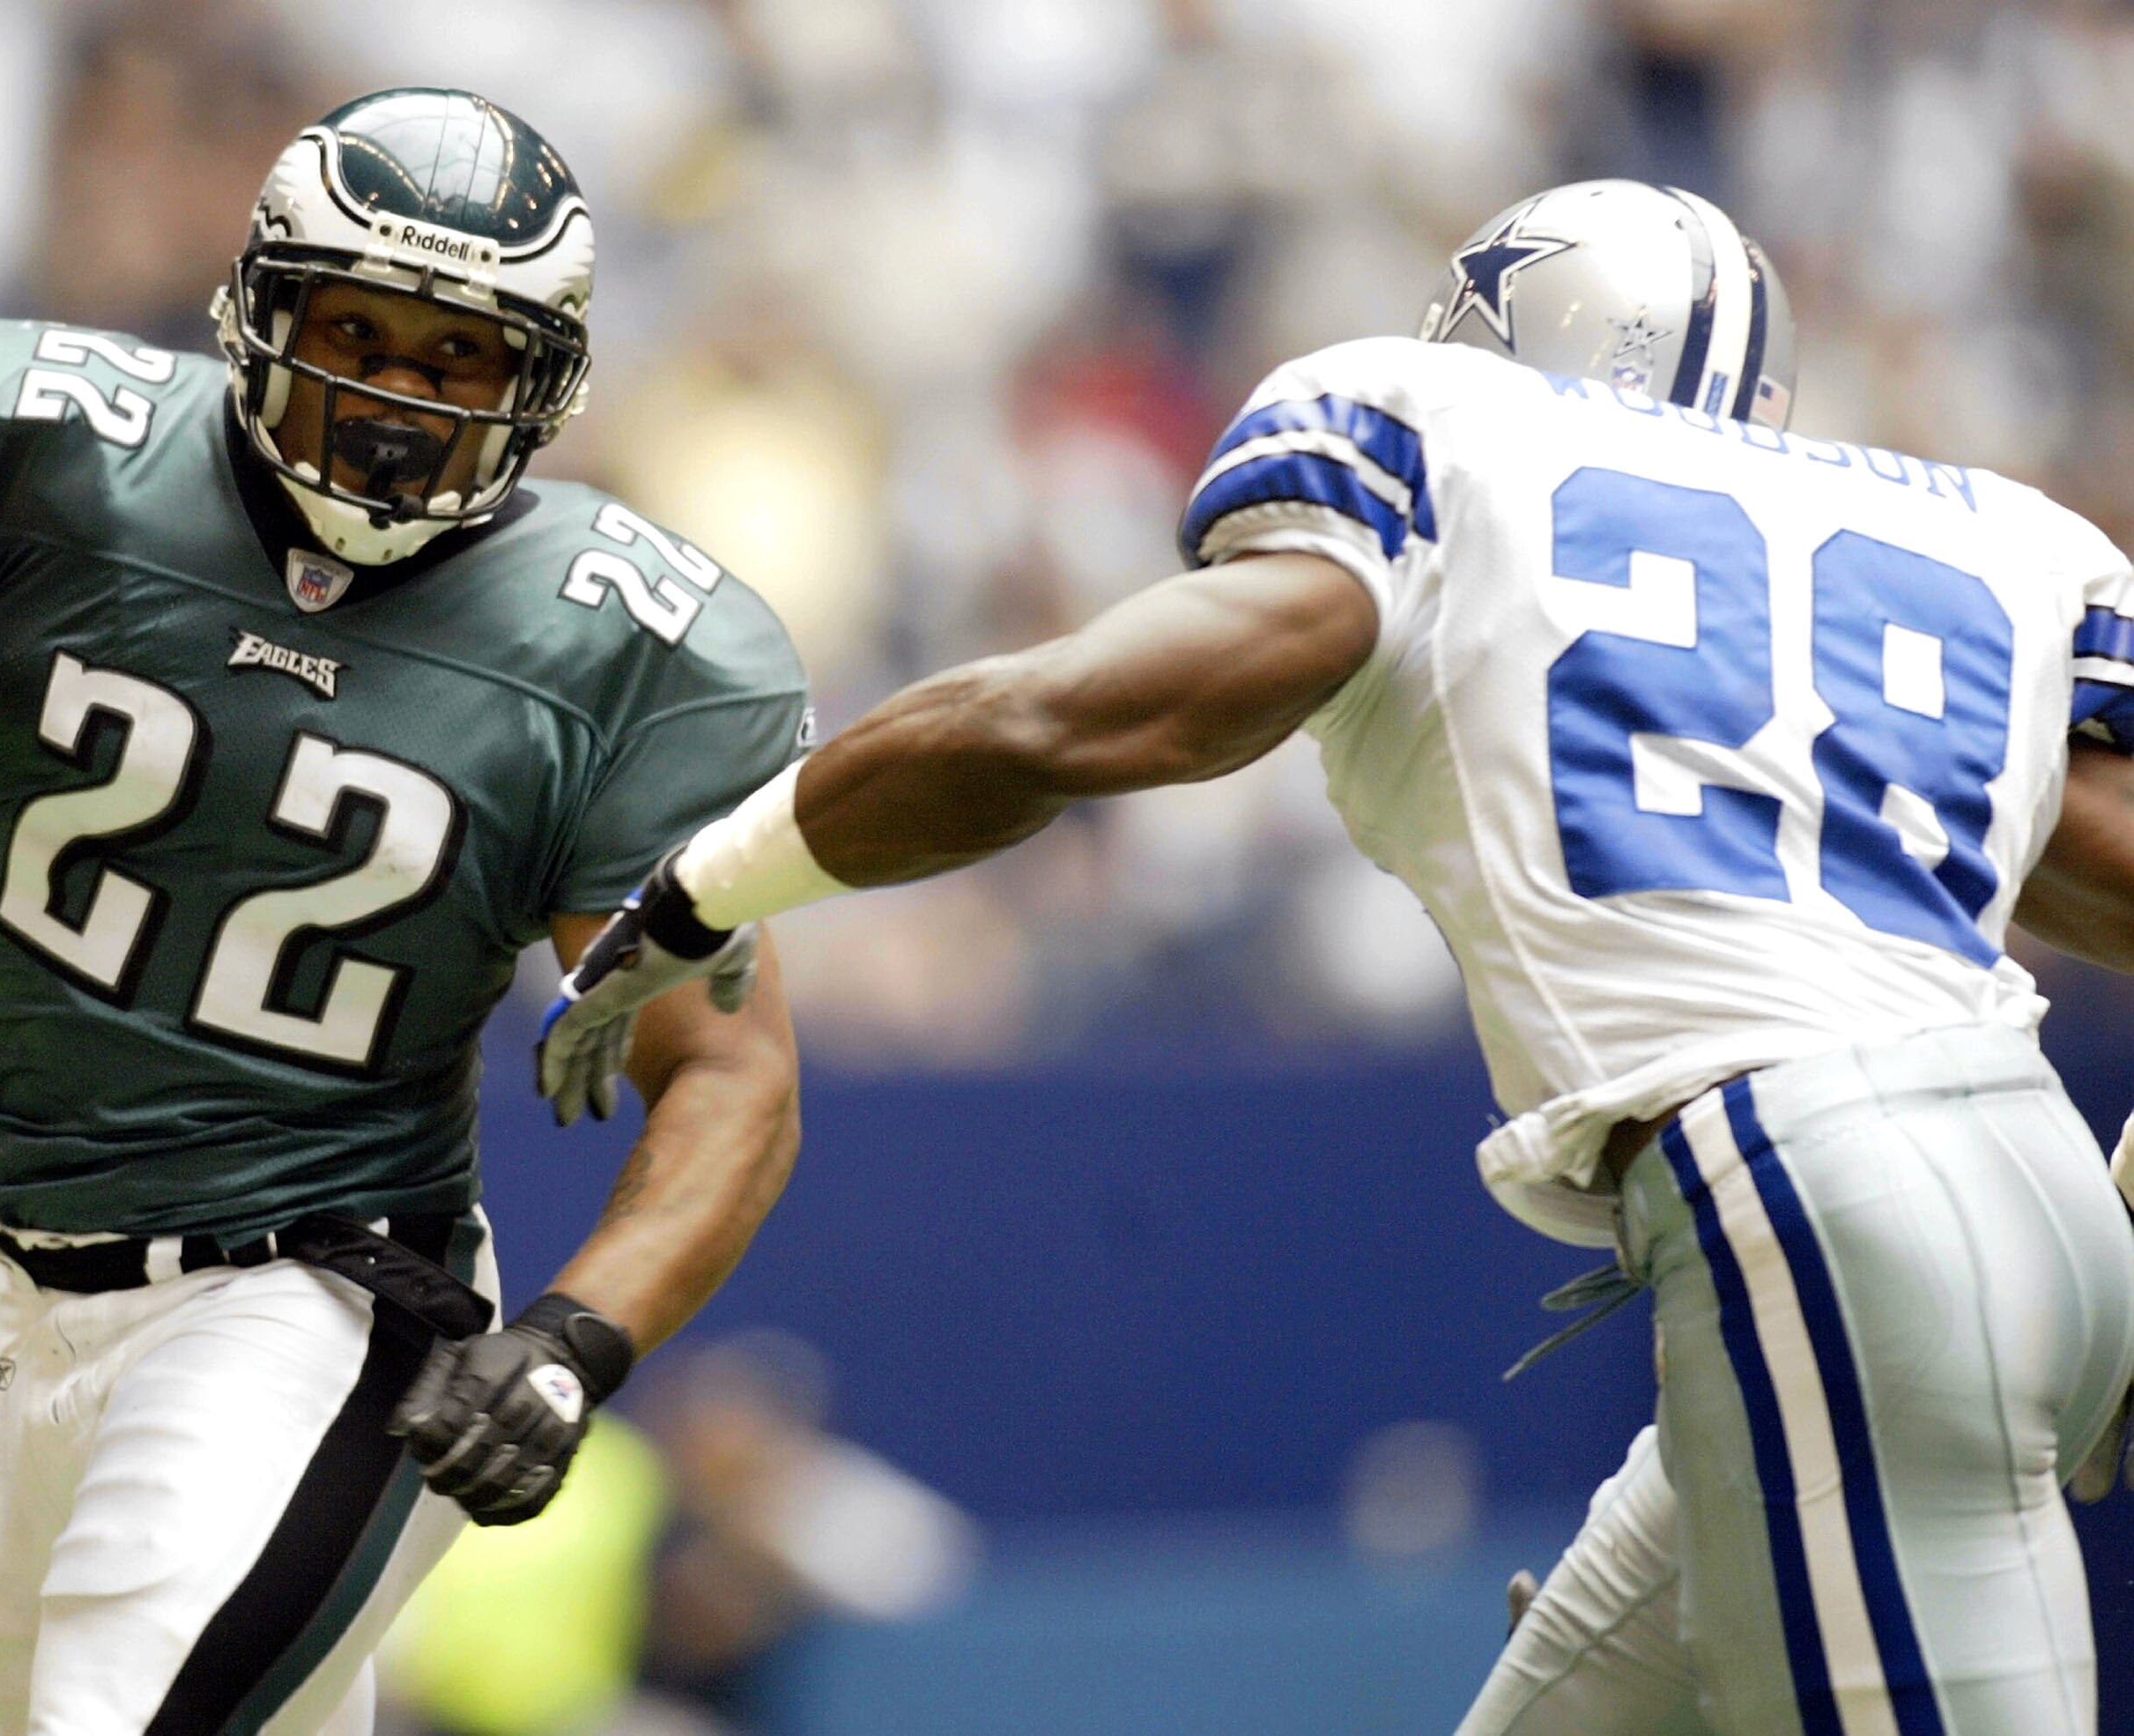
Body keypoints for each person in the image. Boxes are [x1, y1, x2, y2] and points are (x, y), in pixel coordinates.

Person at [539, 178, 2134, 1734]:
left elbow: (1052, 719)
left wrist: (704, 879)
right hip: (2018, 1193)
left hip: (1820, 1208)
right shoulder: (1989, 533)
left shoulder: (1449, 442)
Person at [0, 88, 811, 1736]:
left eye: (460, 362)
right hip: (32, 1294)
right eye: (360, 329)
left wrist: (579, 1335)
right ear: (259, 303)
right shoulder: (22, 444)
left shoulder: (623, 650)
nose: (396, 407)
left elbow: (726, 1071)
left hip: (321, 1304)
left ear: (544, 384)